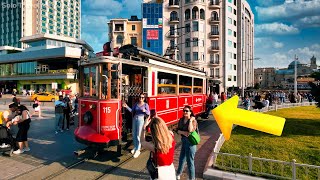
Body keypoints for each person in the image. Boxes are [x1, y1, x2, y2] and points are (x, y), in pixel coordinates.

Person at [123, 93, 150, 158]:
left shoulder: (146, 105)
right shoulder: (136, 104)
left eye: (142, 97)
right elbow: (132, 111)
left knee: (138, 135)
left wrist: (145, 110)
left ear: (144, 98)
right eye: (140, 97)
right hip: (135, 118)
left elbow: (148, 113)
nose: (141, 98)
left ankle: (138, 150)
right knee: (134, 133)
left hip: (141, 119)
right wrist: (126, 106)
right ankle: (135, 147)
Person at [176, 105, 198, 180]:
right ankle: (178, 173)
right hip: (184, 142)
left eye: (187, 111)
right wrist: (183, 132)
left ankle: (192, 178)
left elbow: (190, 130)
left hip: (191, 144)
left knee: (190, 162)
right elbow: (177, 131)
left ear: (190, 112)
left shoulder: (193, 121)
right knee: (181, 159)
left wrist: (191, 121)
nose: (185, 112)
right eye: (184, 110)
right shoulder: (181, 120)